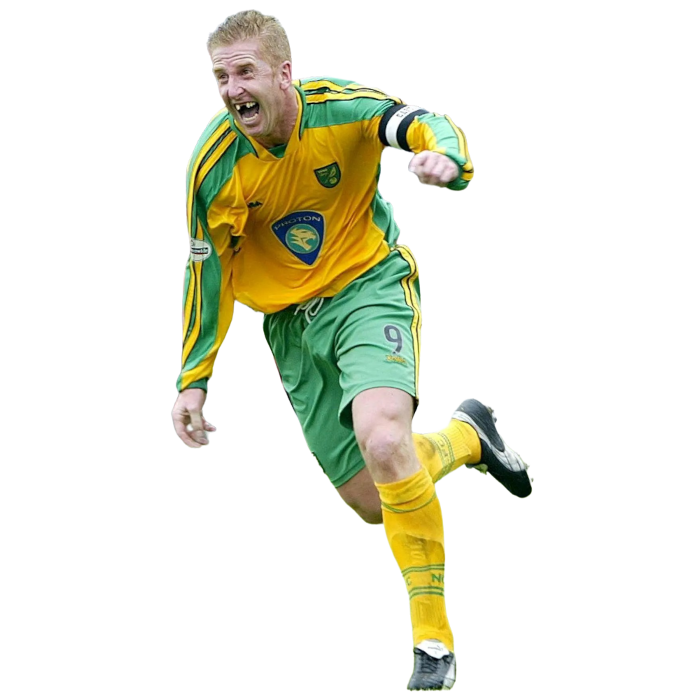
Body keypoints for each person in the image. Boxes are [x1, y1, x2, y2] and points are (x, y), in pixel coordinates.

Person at [173, 9, 532, 691]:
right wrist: (195, 377)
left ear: (283, 73)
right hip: (288, 327)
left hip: (367, 286)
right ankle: (467, 437)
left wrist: (446, 159)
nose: (232, 89)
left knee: (385, 439)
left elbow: (418, 122)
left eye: (245, 72)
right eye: (221, 77)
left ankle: (433, 639)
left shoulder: (339, 106)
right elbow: (206, 271)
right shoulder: (212, 165)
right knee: (374, 498)